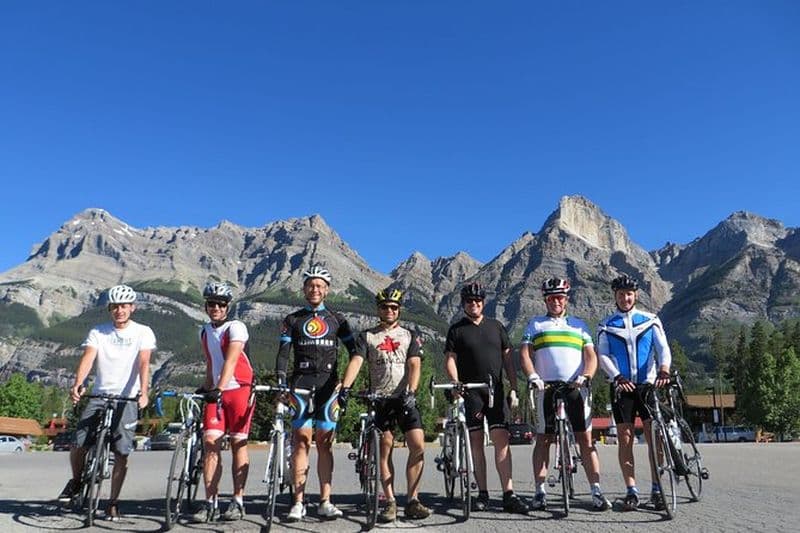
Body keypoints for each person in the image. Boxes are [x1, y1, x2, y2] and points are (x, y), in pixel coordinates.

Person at [57, 284, 155, 521]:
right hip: (100, 394)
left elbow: (144, 363)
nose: (119, 310)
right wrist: (78, 384)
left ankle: (112, 502)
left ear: (132, 308)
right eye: (114, 307)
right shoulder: (98, 332)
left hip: (127, 398)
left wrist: (143, 392)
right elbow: (88, 358)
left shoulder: (143, 332)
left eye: (123, 306)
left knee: (122, 453)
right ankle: (77, 480)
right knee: (79, 442)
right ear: (109, 309)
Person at [519, 277, 612, 511]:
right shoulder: (535, 325)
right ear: (545, 300)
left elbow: (591, 356)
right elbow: (524, 354)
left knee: (585, 439)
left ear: (566, 299)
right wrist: (533, 376)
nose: (555, 302)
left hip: (575, 387)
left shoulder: (580, 325)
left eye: (559, 297)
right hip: (546, 387)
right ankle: (540, 492)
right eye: (551, 298)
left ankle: (596, 491)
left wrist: (587, 376)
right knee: (543, 438)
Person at [275, 266, 359, 521]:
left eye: (320, 285)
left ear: (327, 290)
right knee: (300, 441)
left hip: (328, 386)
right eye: (311, 285)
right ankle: (298, 502)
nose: (315, 289)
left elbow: (356, 351)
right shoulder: (293, 319)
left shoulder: (337, 319)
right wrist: (281, 382)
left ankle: (325, 500)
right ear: (304, 289)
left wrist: (345, 383)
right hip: (300, 385)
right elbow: (283, 354)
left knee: (325, 444)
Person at [339, 288, 431, 522]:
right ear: (378, 309)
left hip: (404, 397)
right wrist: (345, 387)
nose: (389, 310)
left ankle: (412, 500)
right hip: (379, 398)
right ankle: (389, 501)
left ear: (399, 310)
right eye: (384, 307)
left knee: (418, 445)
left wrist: (411, 391)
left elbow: (415, 365)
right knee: (385, 445)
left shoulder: (409, 335)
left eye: (393, 307)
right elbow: (357, 361)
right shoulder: (367, 336)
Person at [443, 282, 529, 514]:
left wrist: (513, 387)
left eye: (478, 301)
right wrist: (455, 381)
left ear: (484, 302)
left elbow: (508, 359)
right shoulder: (456, 329)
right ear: (464, 304)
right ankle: (482, 493)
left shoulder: (497, 326)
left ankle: (509, 493)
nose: (474, 304)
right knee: (476, 443)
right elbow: (450, 359)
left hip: (496, 391)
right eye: (470, 301)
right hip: (471, 391)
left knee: (501, 440)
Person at [597, 274, 672, 511]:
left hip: (647, 386)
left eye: (629, 294)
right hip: (622, 387)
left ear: (636, 296)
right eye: (620, 294)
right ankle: (631, 490)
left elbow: (663, 349)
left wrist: (664, 369)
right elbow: (603, 355)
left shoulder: (650, 320)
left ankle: (657, 488)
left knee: (654, 439)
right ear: (615, 297)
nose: (625, 298)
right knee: (625, 440)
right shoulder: (606, 324)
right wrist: (617, 377)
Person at [191, 282, 255, 522]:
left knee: (239, 443)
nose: (215, 307)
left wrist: (218, 388)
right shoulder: (204, 331)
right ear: (206, 306)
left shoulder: (236, 327)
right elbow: (212, 362)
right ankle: (210, 501)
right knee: (210, 442)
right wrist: (207, 387)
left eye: (220, 304)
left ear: (228, 307)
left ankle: (237, 500)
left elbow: (231, 360)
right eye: (211, 304)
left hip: (239, 388)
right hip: (217, 391)